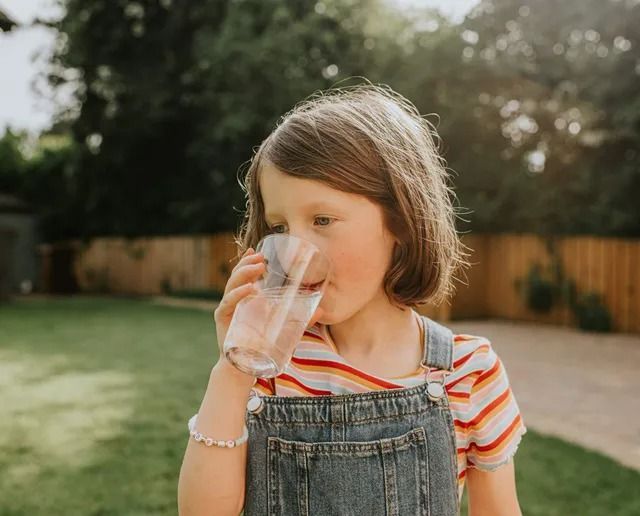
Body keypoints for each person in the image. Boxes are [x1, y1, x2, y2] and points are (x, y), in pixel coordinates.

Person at [178, 82, 527, 515]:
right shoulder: (271, 367)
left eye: (322, 219)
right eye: (280, 229)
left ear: (400, 221)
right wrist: (232, 371)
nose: (296, 254)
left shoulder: (468, 373)